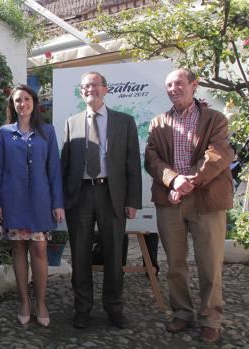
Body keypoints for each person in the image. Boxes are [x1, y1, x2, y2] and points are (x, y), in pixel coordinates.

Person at [144, 68, 234, 344]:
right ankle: (182, 312)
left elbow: (217, 155)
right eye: (169, 84)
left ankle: (211, 319)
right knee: (175, 264)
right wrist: (174, 181)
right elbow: (152, 158)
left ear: (194, 85)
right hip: (170, 201)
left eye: (179, 83)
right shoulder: (158, 122)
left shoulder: (215, 119)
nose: (174, 88)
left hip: (206, 200)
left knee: (210, 263)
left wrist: (189, 182)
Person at [60, 71, 141, 329]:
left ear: (105, 89)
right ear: (81, 92)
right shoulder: (71, 122)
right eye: (85, 86)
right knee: (80, 254)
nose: (89, 89)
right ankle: (82, 308)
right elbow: (65, 165)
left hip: (112, 194)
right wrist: (60, 200)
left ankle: (114, 308)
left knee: (114, 254)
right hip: (80, 195)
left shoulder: (124, 122)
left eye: (95, 85)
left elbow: (132, 164)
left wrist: (132, 200)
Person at [0, 85, 64, 327]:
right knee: (19, 249)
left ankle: (41, 302)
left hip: (41, 202)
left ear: (34, 102)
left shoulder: (47, 132)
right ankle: (24, 301)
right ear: (13, 105)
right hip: (13, 201)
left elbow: (54, 170)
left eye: (26, 99)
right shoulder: (4, 132)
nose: (22, 104)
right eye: (17, 100)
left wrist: (57, 203)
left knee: (40, 250)